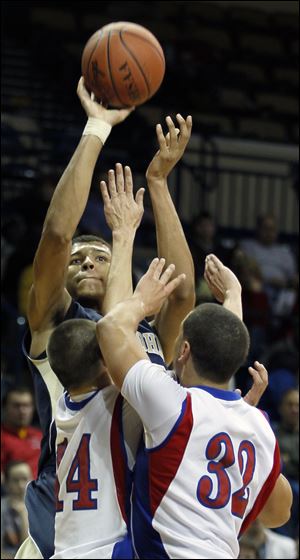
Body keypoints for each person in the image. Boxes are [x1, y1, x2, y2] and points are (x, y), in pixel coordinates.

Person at [16, 75, 195, 559]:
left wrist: (157, 183)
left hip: (128, 530)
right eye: (78, 261)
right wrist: (95, 129)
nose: (86, 262)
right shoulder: (57, 325)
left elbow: (181, 292)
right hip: (61, 532)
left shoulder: (142, 328)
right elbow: (56, 236)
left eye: (98, 256)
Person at [96, 255, 293, 559]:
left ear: (184, 350)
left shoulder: (173, 405)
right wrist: (234, 296)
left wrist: (142, 301)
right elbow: (279, 514)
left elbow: (109, 328)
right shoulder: (259, 426)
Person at [1, 388, 42, 480]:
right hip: (12, 492)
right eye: (16, 406)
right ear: (4, 408)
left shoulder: (40, 436)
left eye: (26, 406)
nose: (22, 411)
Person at [1, 461, 32, 559]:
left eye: (25, 479)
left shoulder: (39, 508)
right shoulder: (2, 508)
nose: (21, 485)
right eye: (15, 480)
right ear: (6, 483)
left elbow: (31, 548)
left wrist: (23, 513)